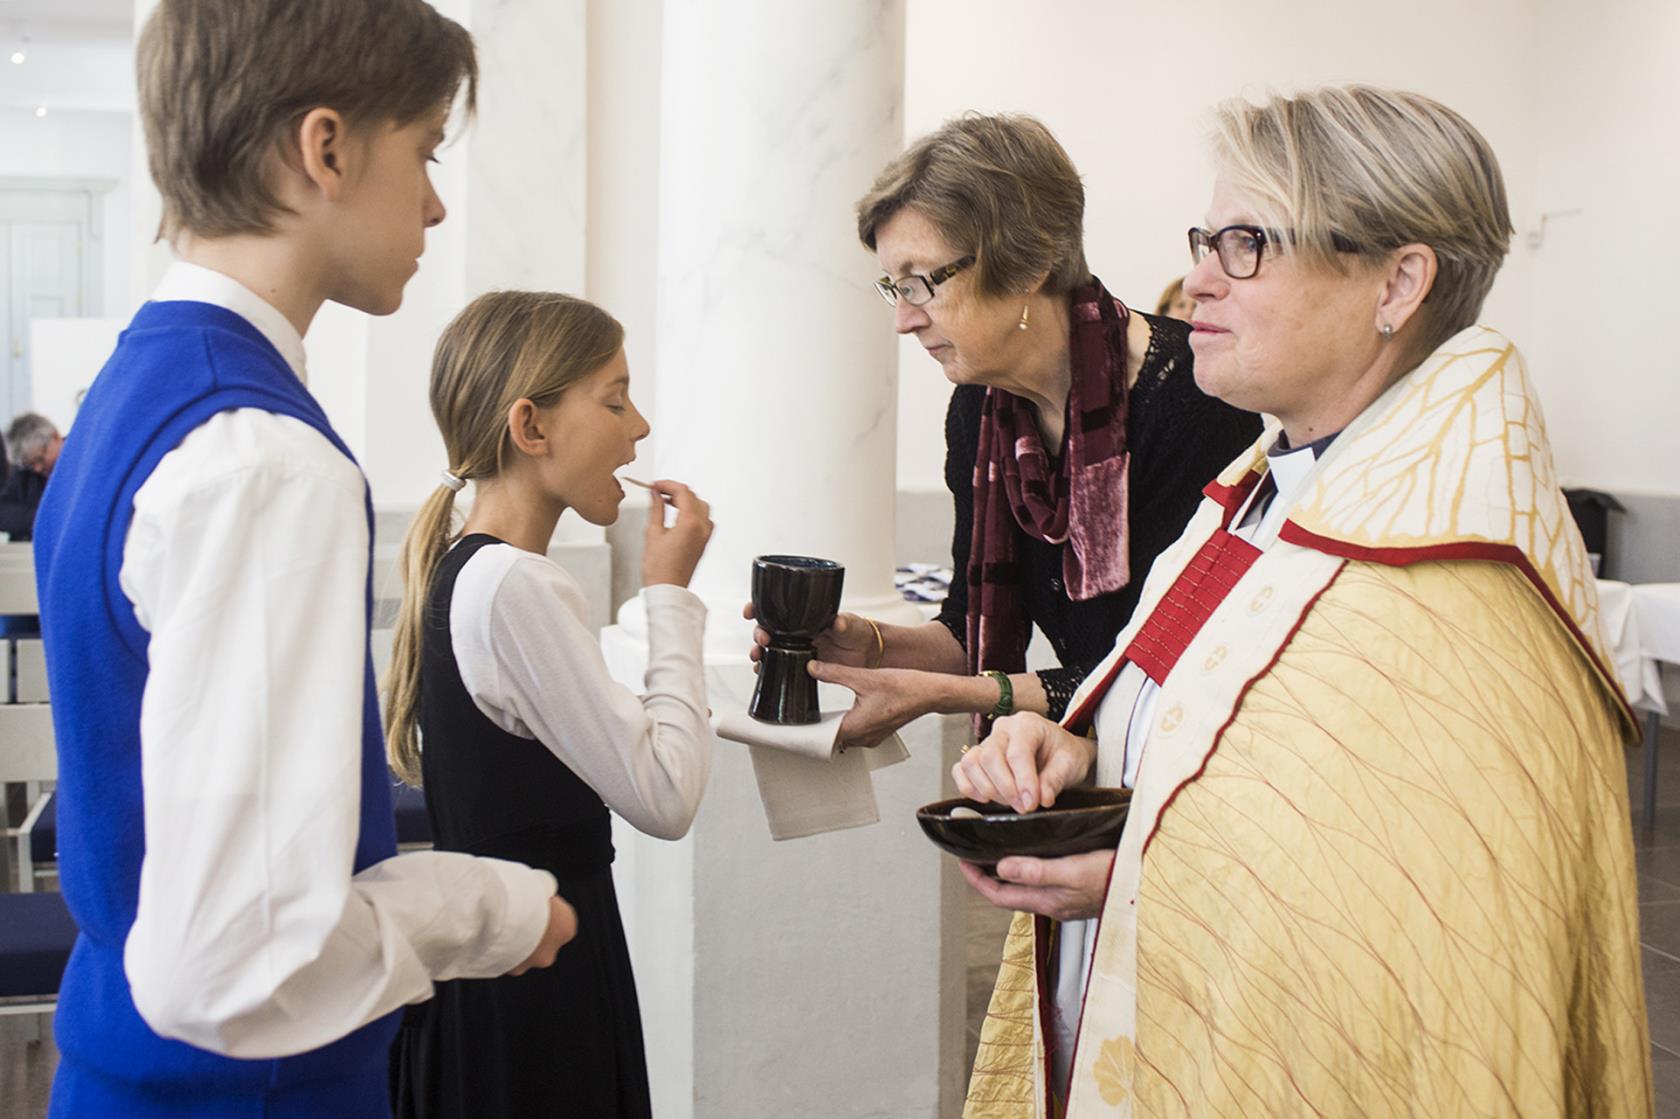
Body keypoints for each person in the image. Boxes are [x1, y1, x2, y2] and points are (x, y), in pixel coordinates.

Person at [955, 86, 1650, 1117]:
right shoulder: (1254, 503)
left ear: (1398, 282)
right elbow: (1223, 754)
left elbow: (1424, 934)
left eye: (1246, 244)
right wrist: (1083, 753)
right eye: (1205, 239)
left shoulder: (1453, 585)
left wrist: (1129, 883)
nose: (1196, 279)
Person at [31, 3, 576, 1115]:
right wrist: (492, 911)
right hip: (238, 1087)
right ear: (324, 148)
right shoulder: (263, 459)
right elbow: (239, 957)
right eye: (422, 151)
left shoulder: (136, 390)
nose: (433, 200)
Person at [751, 114, 1259, 750]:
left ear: (1028, 264)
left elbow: (1157, 671)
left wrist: (955, 696)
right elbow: (969, 632)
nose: (905, 320)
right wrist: (869, 645)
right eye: (894, 287)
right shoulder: (981, 412)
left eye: (922, 282)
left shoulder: (1194, 397)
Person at [386, 292, 714, 1119]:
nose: (638, 427)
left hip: (506, 961)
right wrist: (668, 593)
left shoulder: (472, 567)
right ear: (531, 427)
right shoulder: (514, 585)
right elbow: (666, 795)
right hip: (536, 988)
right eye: (614, 398)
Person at [0, 412, 61, 541]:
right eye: (30, 464)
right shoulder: (23, 472)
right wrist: (50, 518)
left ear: (55, 437)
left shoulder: (83, 464)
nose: (37, 469)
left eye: (40, 459)